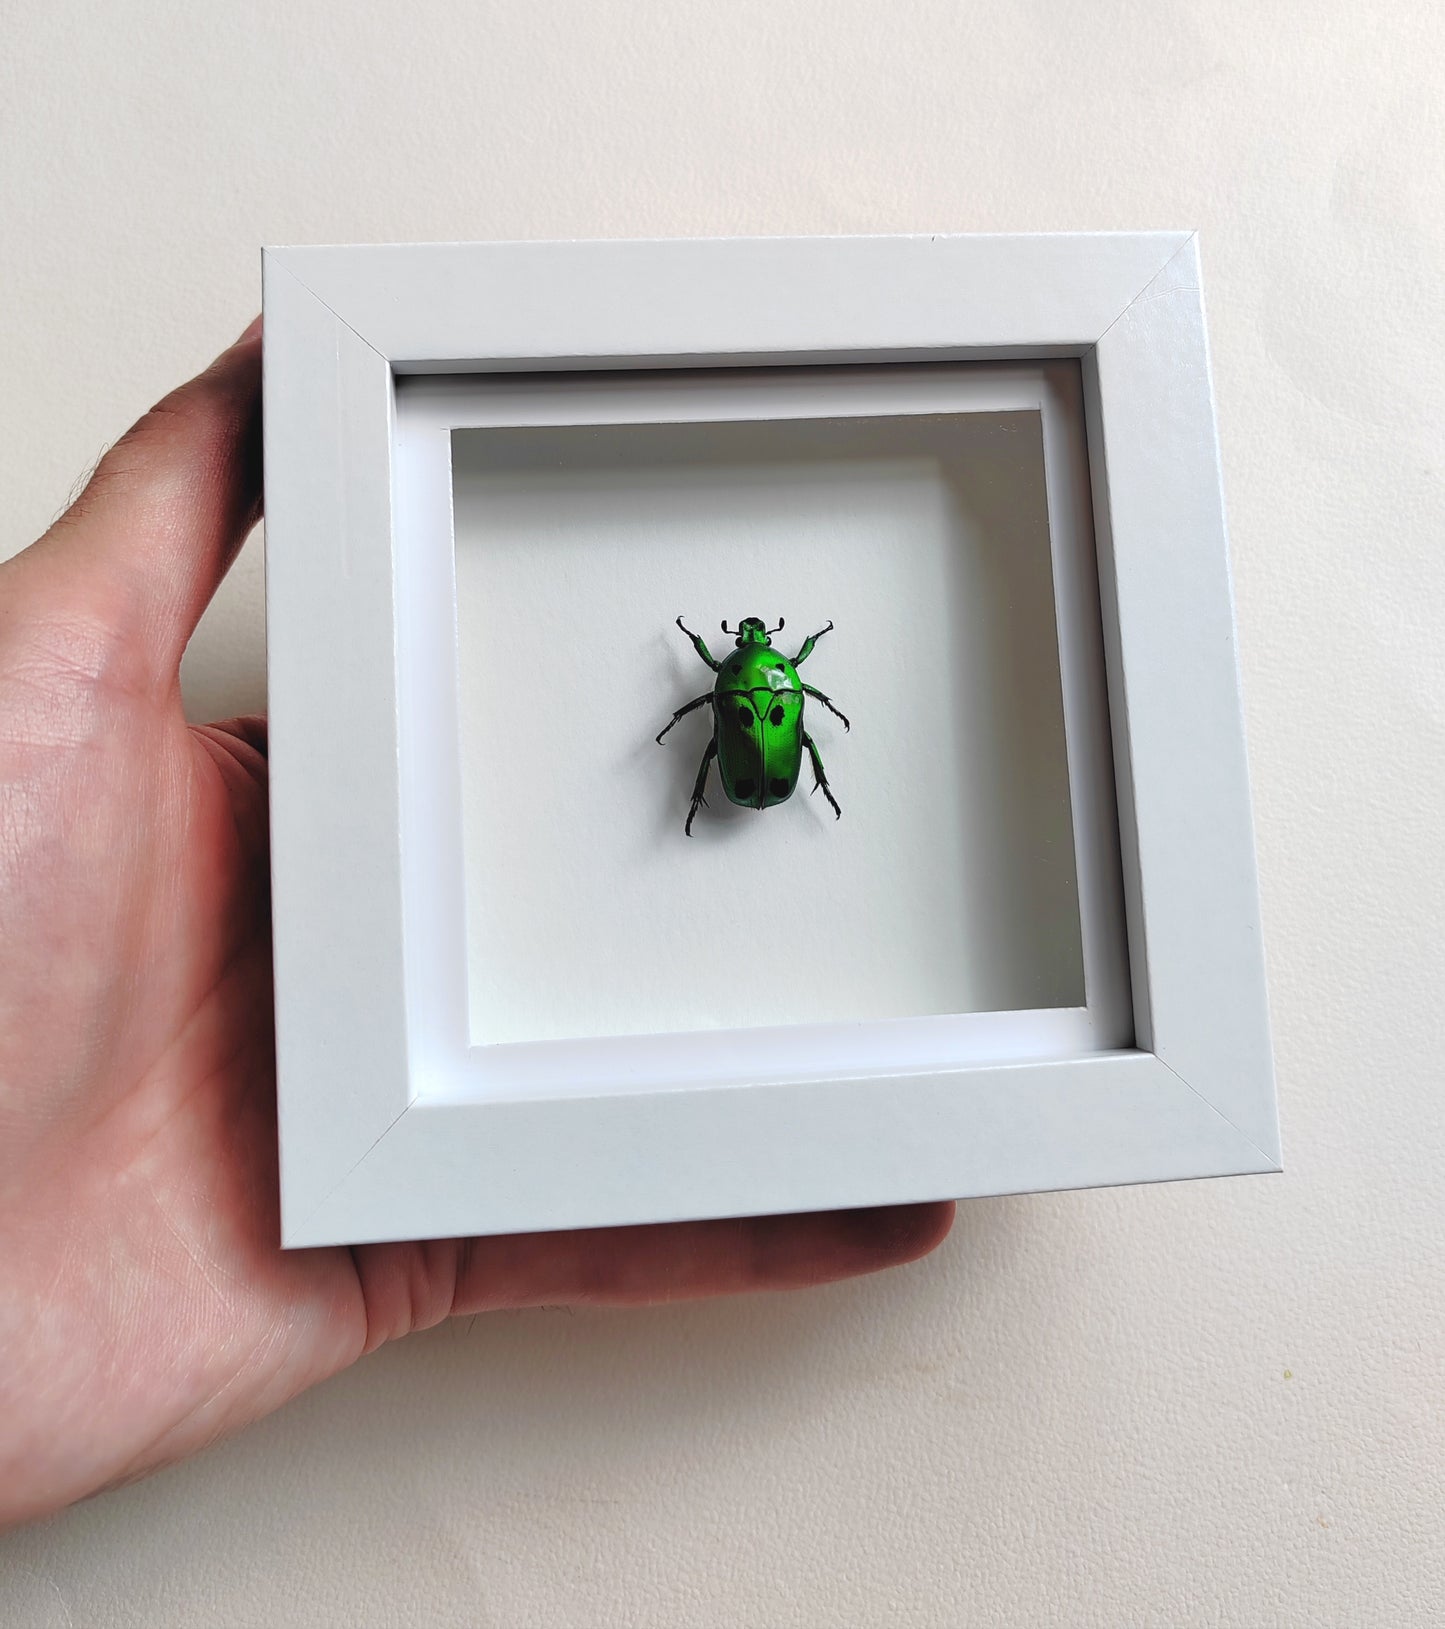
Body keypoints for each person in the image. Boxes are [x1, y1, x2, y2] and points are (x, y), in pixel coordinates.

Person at [0, 321, 953, 1529]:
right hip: (743, 774)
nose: (760, 660)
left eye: (760, 656)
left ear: (748, 667)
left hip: (736, 771)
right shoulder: (761, 688)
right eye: (759, 657)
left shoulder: (736, 687)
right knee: (759, 754)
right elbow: (775, 701)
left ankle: (783, 782)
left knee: (744, 754)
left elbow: (740, 707)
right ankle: (789, 784)